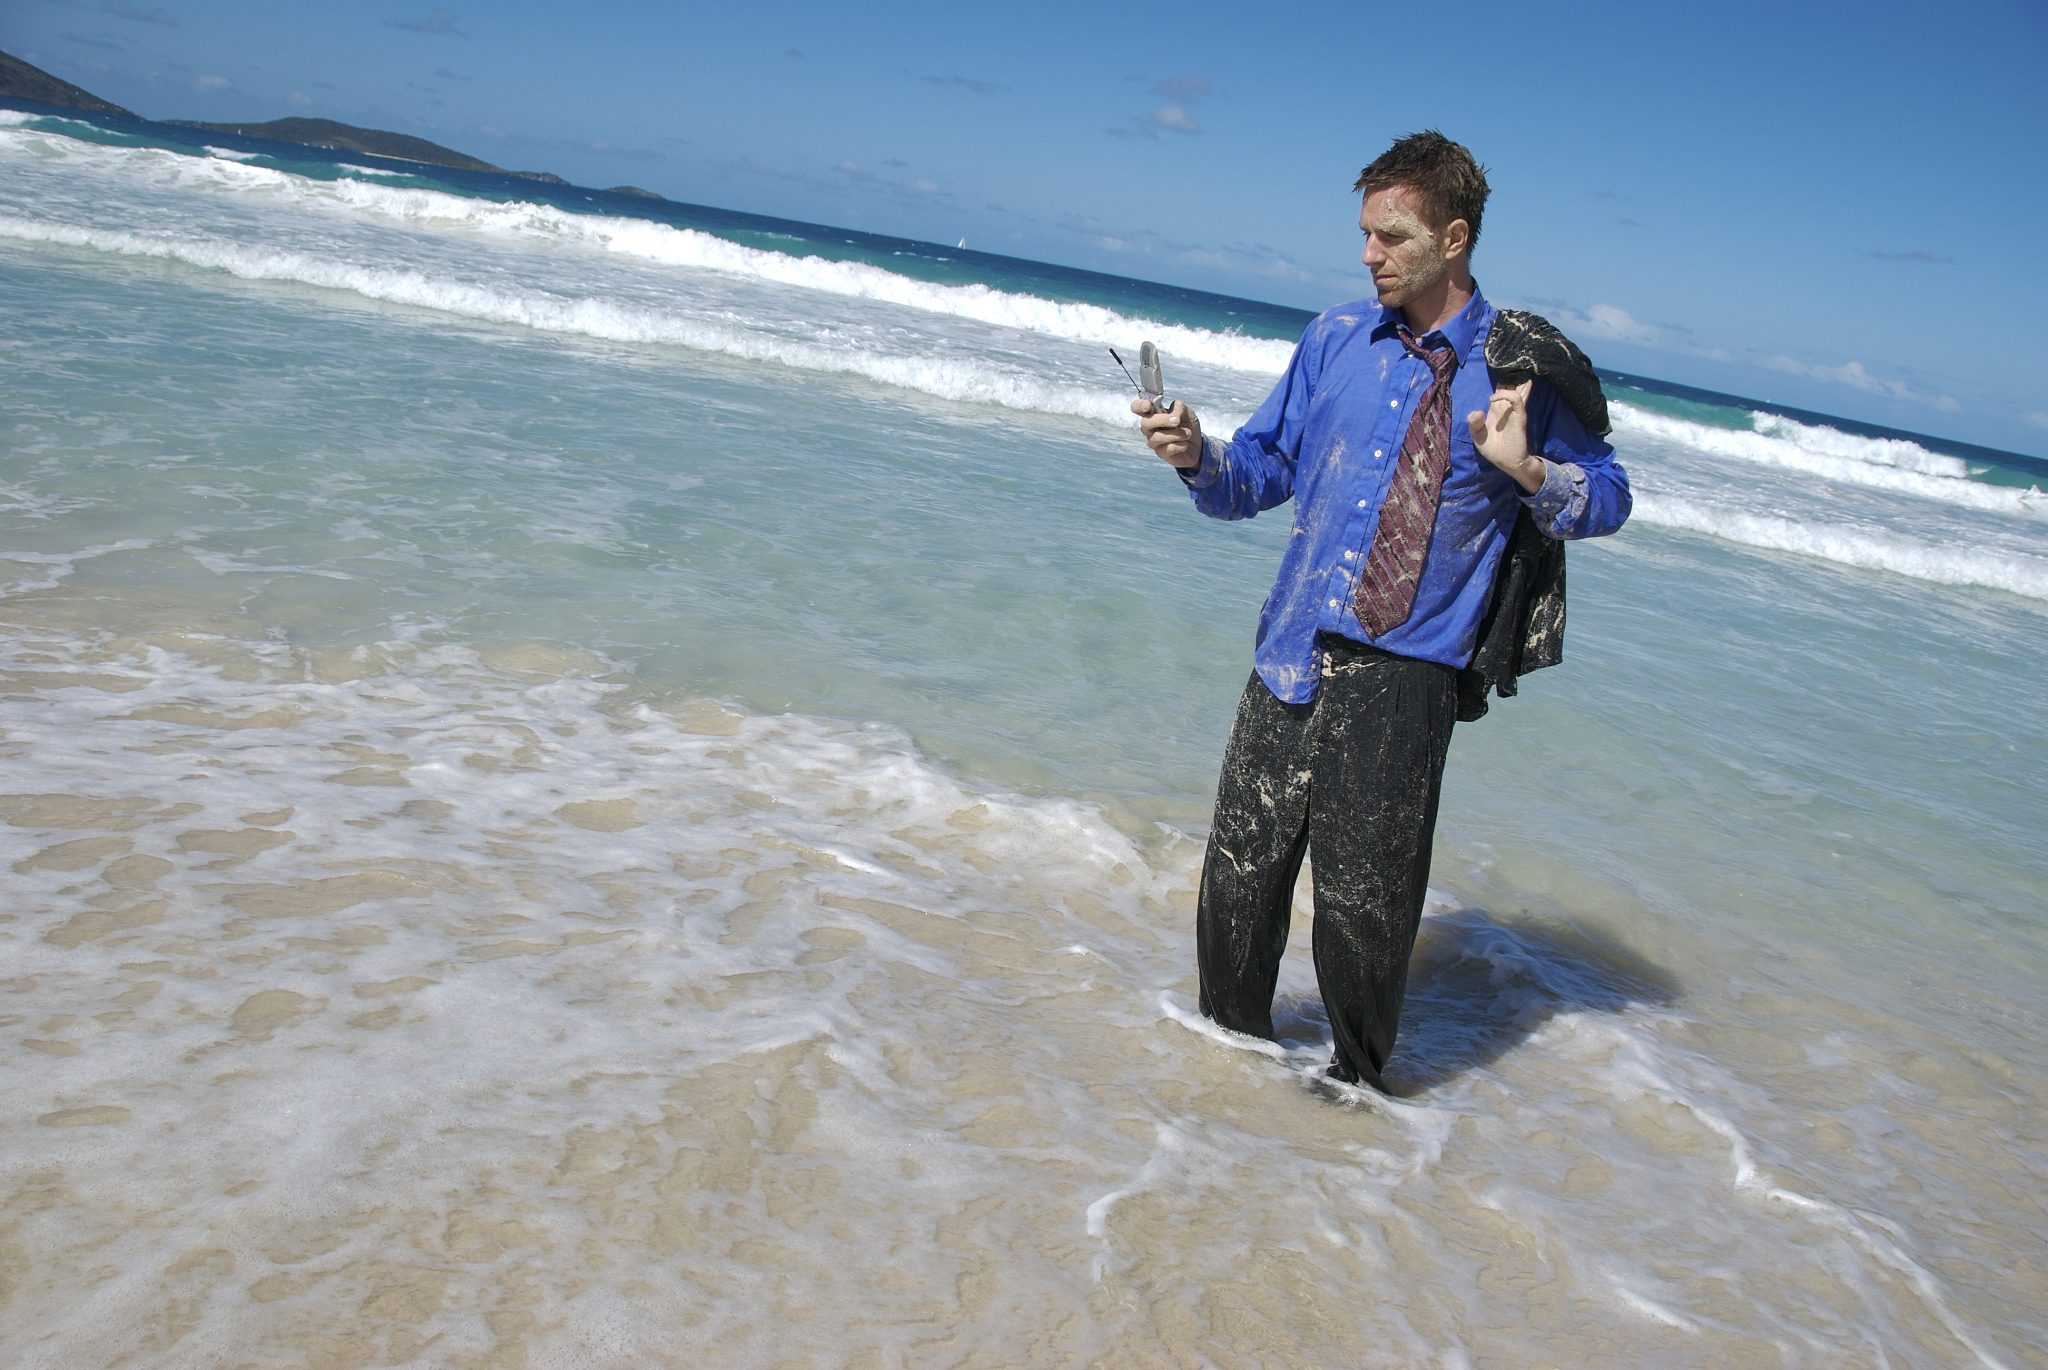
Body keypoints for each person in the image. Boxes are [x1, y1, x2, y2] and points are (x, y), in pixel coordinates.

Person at [1134, 130, 1631, 1091]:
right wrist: (1197, 454)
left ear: (1453, 236)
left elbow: (1609, 495)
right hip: (1287, 651)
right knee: (1235, 894)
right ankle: (1218, 1098)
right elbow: (1261, 473)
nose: (1370, 254)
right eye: (1365, 233)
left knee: (1365, 920)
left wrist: (1526, 469)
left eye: (1391, 236)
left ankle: (1357, 1125)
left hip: (1406, 677)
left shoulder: (1519, 369)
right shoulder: (1333, 340)